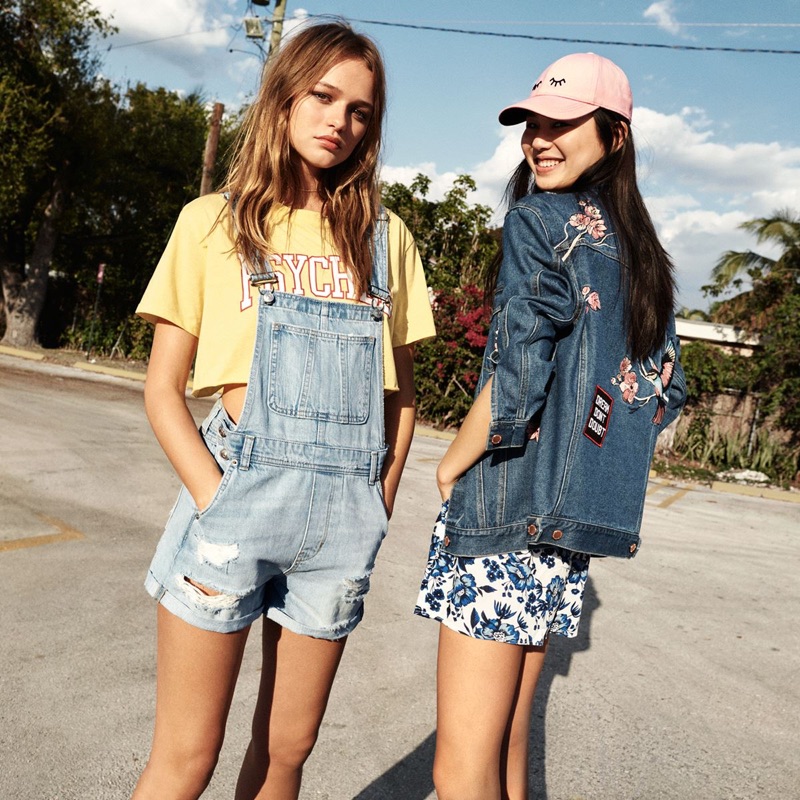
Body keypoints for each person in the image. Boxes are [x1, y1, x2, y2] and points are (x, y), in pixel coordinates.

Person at [132, 20, 435, 800]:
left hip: (343, 516)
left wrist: (378, 501)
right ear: (283, 98)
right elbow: (163, 388)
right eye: (324, 96)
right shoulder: (213, 221)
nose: (340, 120)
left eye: (361, 110)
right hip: (233, 498)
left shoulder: (385, 239)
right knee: (186, 759)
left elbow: (402, 396)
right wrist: (215, 497)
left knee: (286, 754)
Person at [414, 52, 686, 800]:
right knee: (504, 751)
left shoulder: (539, 220)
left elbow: (515, 377)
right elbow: (663, 392)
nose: (541, 137)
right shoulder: (644, 257)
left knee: (460, 768)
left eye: (563, 122)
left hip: (504, 514)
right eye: (534, 121)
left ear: (615, 134)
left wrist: (450, 466)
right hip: (564, 534)